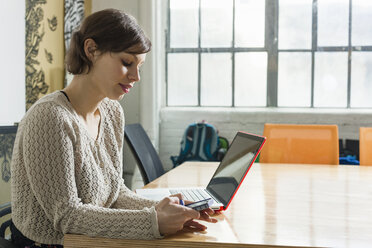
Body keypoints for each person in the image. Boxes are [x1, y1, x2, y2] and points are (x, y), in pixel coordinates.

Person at [10, 8, 217, 247]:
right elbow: (67, 217)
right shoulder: (50, 117)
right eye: (127, 62)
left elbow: (116, 194)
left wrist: (168, 211)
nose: (135, 76)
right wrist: (154, 221)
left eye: (139, 66)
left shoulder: (111, 112)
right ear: (91, 50)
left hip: (92, 240)